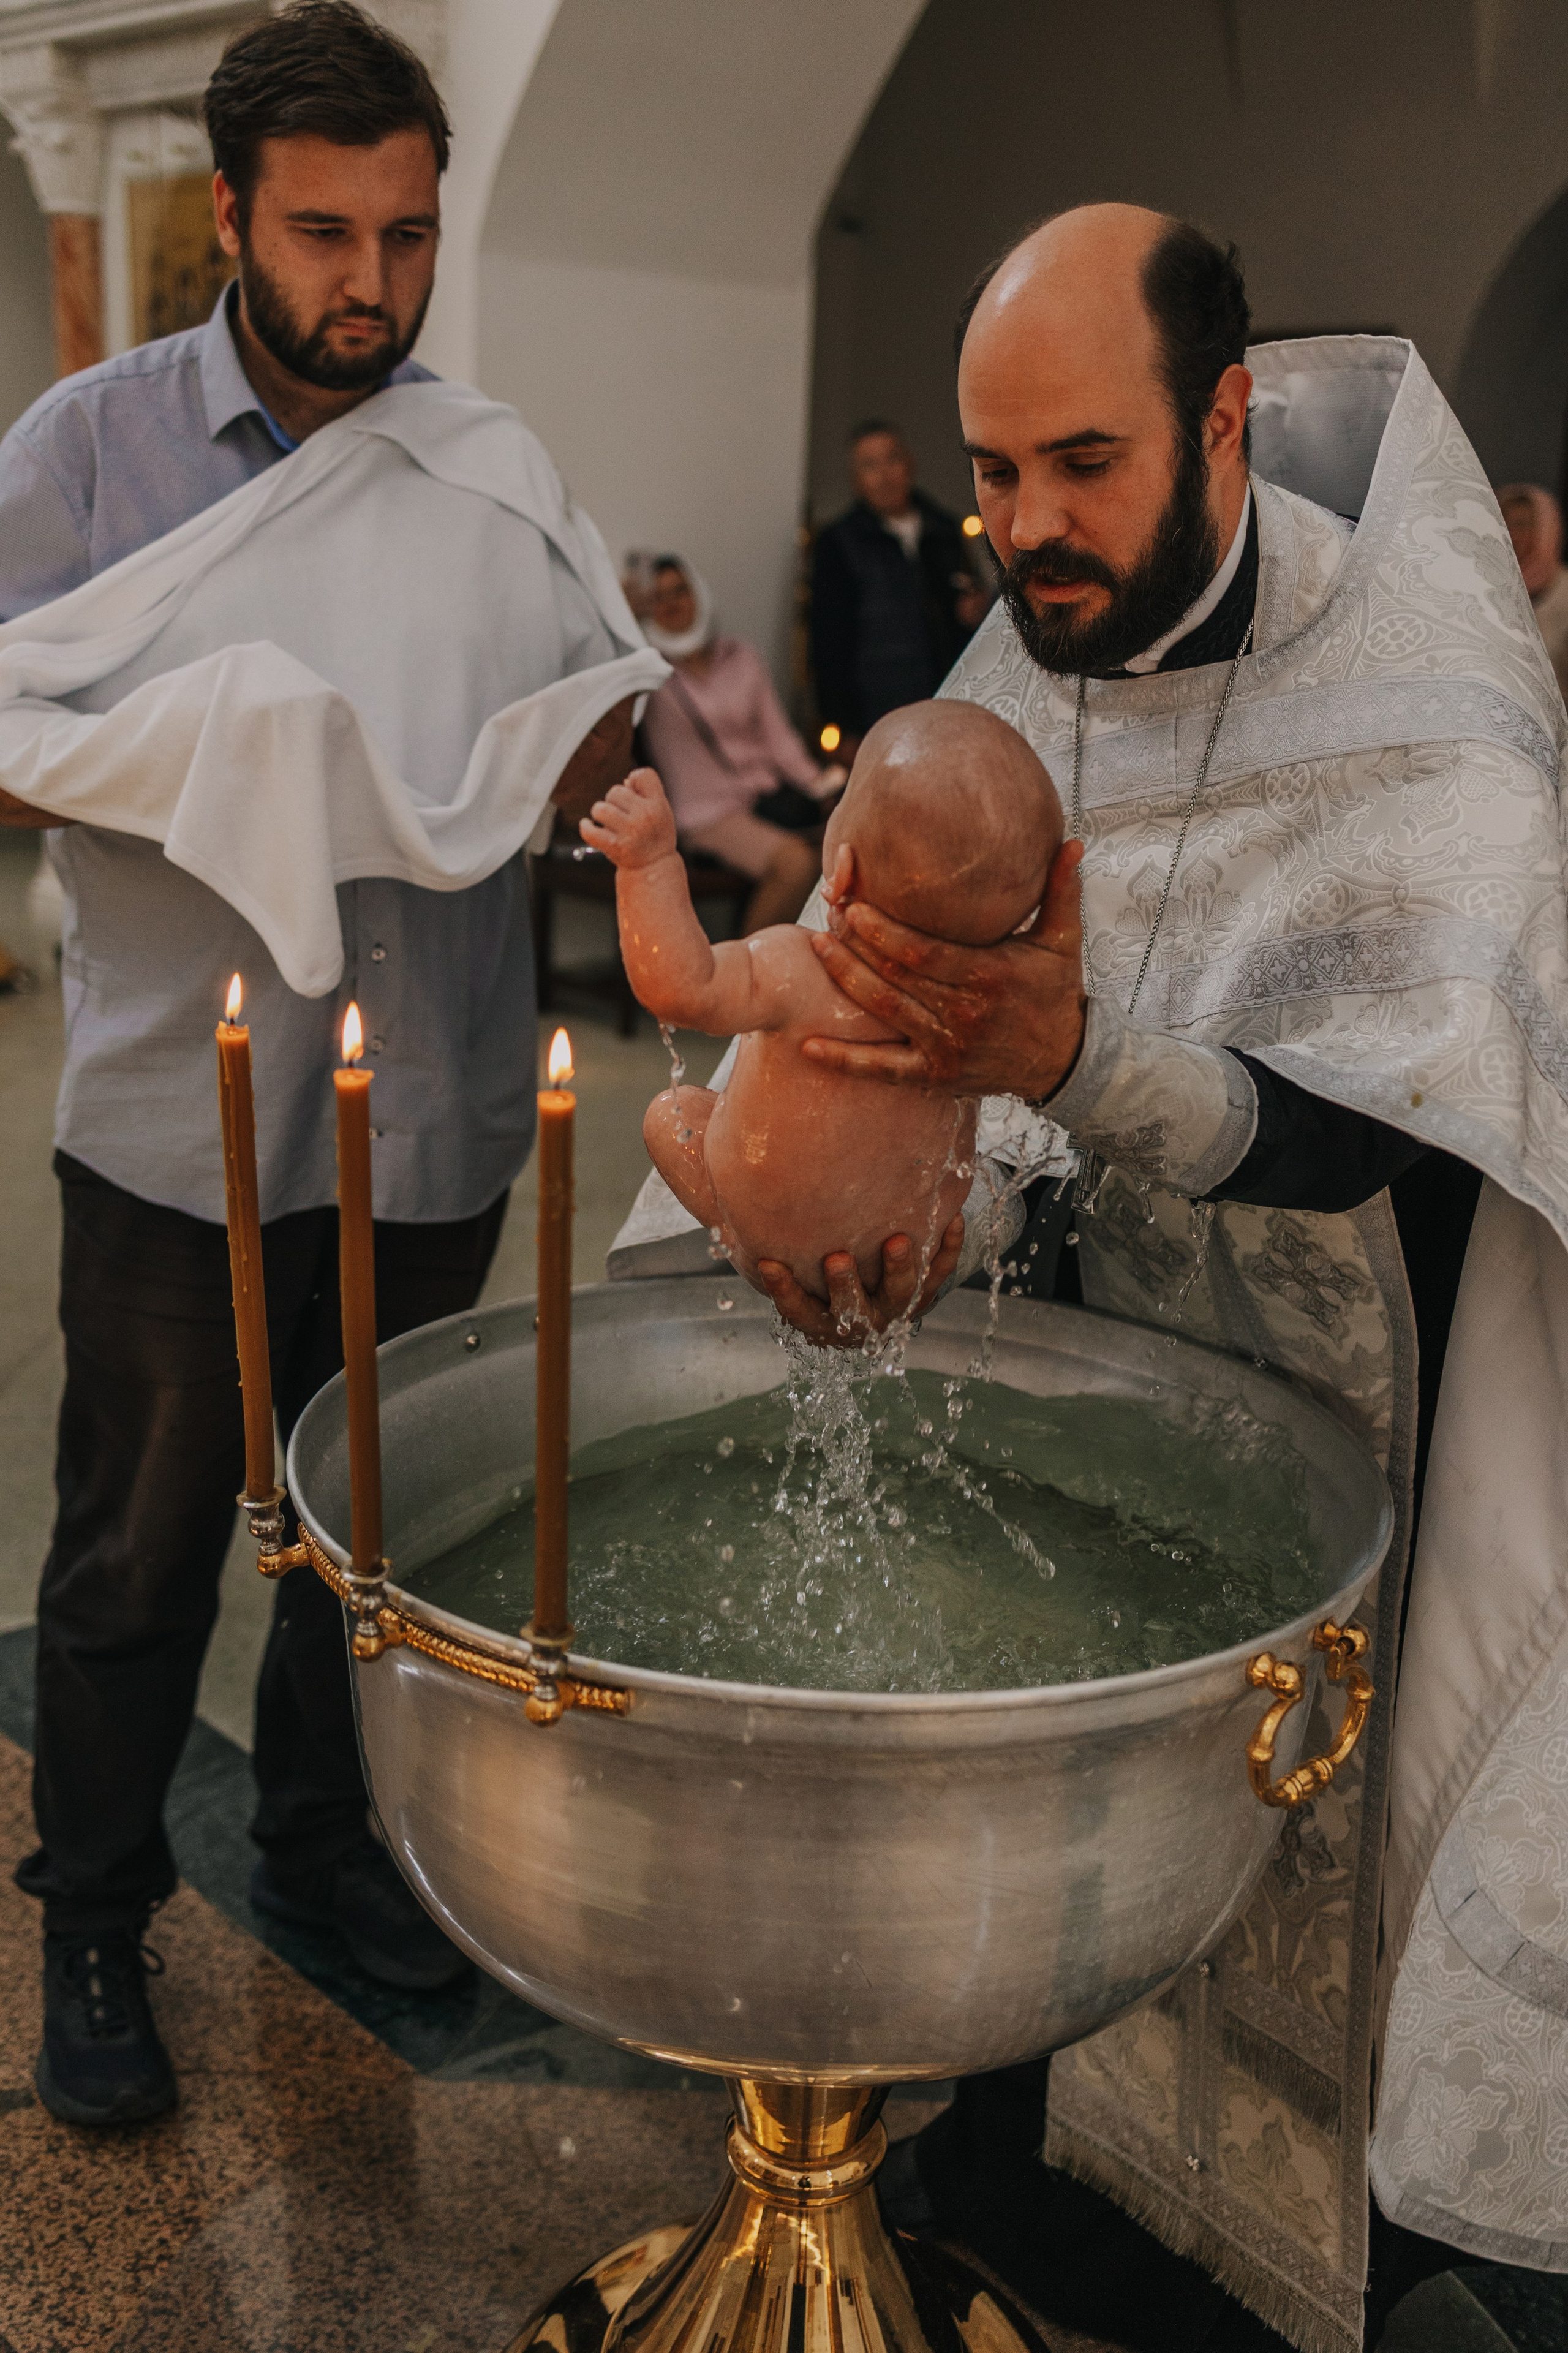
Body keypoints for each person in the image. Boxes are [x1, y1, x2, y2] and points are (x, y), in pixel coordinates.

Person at [624, 205, 1568, 2349]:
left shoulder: (1432, 699)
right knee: (1035, 1911)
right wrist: (852, 1211)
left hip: (1360, 1416)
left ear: (1219, 420)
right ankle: (1010, 2212)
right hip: (1070, 1399)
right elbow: (882, 1013)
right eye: (992, 470)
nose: (1024, 527)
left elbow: (1392, 1120)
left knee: (1291, 1907)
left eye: (1081, 463)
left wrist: (1068, 1056)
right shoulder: (1010, 667)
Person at [0, 1, 640, 2129]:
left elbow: (580, 716)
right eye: (324, 234)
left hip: (433, 1097)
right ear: (229, 216)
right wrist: (200, 747)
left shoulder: (485, 468)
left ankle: (319, 1849)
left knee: (369, 1533)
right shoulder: (88, 452)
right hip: (174, 1118)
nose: (372, 283)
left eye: (408, 235)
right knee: (134, 1551)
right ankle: (95, 1914)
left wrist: (589, 762)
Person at [585, 701, 1058, 1299]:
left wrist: (648, 865)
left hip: (777, 1243)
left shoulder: (795, 963)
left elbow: (679, 989)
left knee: (672, 1113)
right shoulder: (976, 1008)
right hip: (907, 1249)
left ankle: (743, 1240)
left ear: (842, 867)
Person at [636, 555, 842, 933]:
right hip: (707, 814)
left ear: (698, 593)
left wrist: (823, 786)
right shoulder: (649, 675)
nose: (671, 604)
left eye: (680, 591)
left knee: (842, 849)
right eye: (658, 597)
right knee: (796, 864)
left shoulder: (742, 657)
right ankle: (739, 968)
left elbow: (779, 738)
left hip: (766, 798)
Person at [810, 420, 990, 762]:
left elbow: (967, 601)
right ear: (856, 480)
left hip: (948, 699)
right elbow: (829, 640)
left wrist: (973, 610)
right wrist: (843, 724)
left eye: (892, 459)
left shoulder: (944, 530)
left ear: (909, 463)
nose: (885, 475)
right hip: (879, 708)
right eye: (870, 466)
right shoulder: (838, 544)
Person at [1499, 481, 1568, 700]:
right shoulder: (1488, 587)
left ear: (1546, 530)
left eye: (1522, 525)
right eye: (1503, 523)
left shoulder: (1564, 593)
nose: (1512, 535)